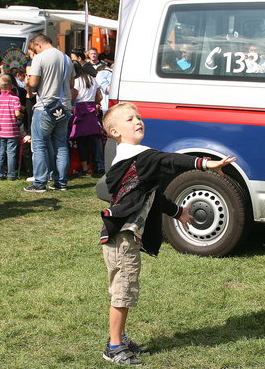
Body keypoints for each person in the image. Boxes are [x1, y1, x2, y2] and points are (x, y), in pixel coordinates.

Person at [99, 102, 235, 365]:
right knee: (122, 292)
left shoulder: (132, 159)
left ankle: (120, 338)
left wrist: (178, 212)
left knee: (126, 290)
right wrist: (205, 164)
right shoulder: (139, 157)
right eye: (129, 119)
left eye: (138, 117)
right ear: (115, 132)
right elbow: (170, 160)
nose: (138, 121)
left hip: (125, 239)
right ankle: (114, 347)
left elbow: (152, 195)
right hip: (121, 240)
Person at [25, 33, 74, 192]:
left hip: (45, 106)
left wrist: (28, 81)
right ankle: (61, 182)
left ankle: (40, 182)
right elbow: (71, 84)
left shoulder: (39, 58)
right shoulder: (66, 58)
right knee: (61, 145)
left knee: (39, 145)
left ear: (38, 45)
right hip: (64, 106)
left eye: (35, 48)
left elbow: (33, 83)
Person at [69, 57, 102, 177]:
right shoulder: (92, 79)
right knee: (90, 140)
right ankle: (91, 166)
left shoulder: (77, 81)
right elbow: (100, 97)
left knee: (81, 141)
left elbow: (72, 98)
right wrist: (93, 102)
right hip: (92, 111)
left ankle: (84, 168)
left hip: (80, 111)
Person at [0, 74, 22, 181]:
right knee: (11, 153)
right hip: (12, 130)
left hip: (1, 131)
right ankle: (11, 175)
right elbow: (17, 114)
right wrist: (21, 116)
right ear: (11, 86)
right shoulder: (15, 99)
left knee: (0, 153)